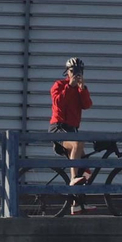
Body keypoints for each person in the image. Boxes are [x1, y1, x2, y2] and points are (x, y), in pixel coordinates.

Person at [49, 57, 93, 189]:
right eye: (73, 71)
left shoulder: (80, 89)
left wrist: (82, 89)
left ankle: (77, 205)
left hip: (72, 130)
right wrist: (70, 86)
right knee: (77, 143)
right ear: (67, 72)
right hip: (59, 128)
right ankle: (73, 178)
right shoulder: (59, 85)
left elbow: (87, 105)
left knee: (85, 170)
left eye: (79, 71)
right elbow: (58, 103)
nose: (76, 74)